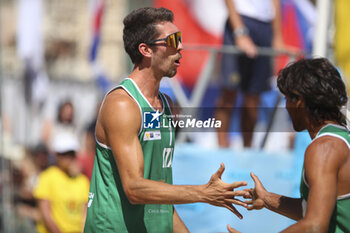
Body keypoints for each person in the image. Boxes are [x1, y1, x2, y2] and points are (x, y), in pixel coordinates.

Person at [84, 7, 248, 233]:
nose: (180, 47)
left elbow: (162, 206)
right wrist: (202, 193)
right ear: (145, 50)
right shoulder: (122, 104)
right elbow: (134, 188)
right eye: (172, 40)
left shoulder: (166, 105)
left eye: (180, 39)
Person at [227, 58, 350, 233]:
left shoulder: (324, 148)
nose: (286, 107)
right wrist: (267, 198)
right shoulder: (340, 138)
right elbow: (316, 210)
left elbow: (315, 225)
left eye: (286, 98)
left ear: (298, 100)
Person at [215, 0, 284, 148]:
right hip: (241, 20)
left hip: (265, 25)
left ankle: (248, 151)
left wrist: (277, 36)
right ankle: (221, 149)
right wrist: (239, 31)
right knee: (229, 92)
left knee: (253, 97)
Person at [33, 132, 90, 233]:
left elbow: (85, 214)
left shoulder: (82, 181)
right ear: (57, 155)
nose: (68, 158)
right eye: (64, 154)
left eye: (71, 153)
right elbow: (46, 216)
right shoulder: (47, 178)